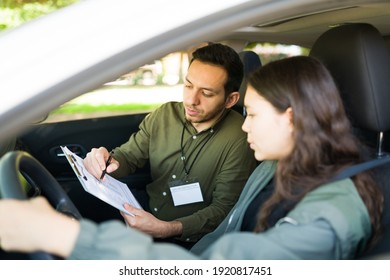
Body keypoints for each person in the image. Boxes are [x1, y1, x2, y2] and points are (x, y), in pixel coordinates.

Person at [0, 56, 383, 259]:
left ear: (293, 117)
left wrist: (63, 234)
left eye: (252, 114)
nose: (245, 125)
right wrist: (110, 159)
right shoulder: (275, 167)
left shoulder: (329, 216)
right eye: (187, 86)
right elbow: (227, 236)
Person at [82, 43, 257, 248]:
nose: (191, 100)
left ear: (230, 100)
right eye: (188, 85)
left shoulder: (240, 137)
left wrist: (166, 228)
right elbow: (128, 156)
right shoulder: (164, 115)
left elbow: (223, 209)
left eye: (207, 93)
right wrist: (106, 161)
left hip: (190, 240)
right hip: (144, 211)